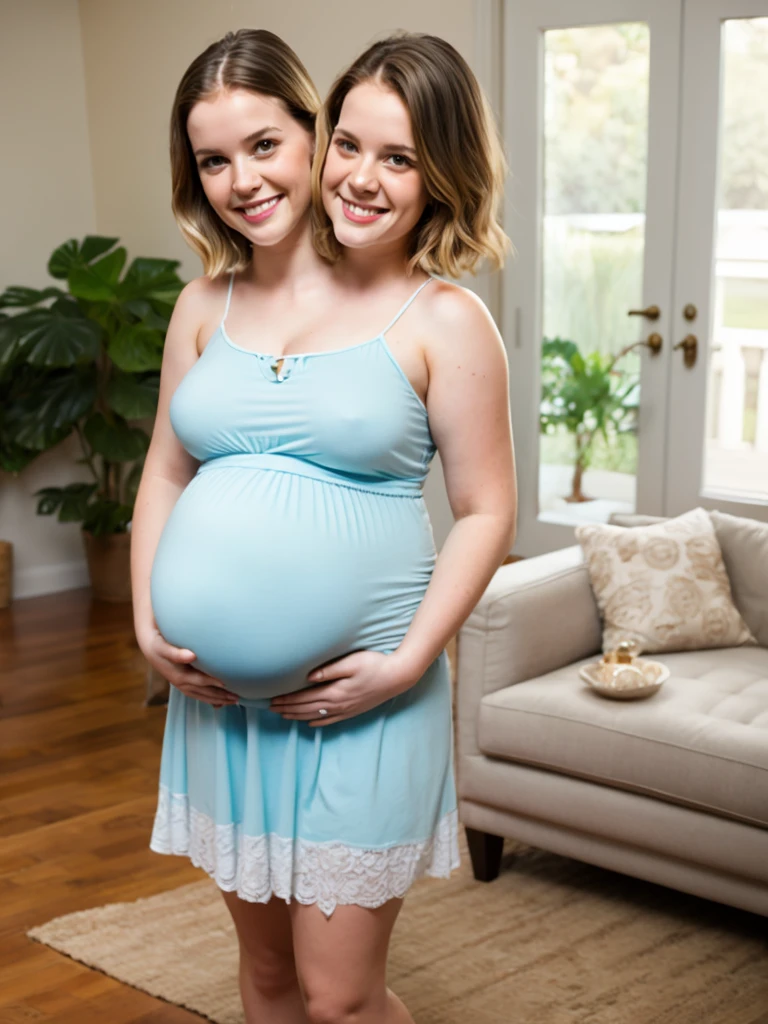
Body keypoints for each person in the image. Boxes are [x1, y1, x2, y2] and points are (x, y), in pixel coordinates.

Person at [132, 27, 516, 1024]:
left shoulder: (442, 320)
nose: (242, 180)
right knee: (265, 981)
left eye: (265, 146)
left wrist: (407, 662)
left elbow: (487, 510)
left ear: (302, 132)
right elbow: (164, 476)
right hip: (221, 710)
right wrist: (145, 622)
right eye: (213, 160)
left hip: (367, 705)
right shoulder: (200, 308)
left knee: (340, 997)